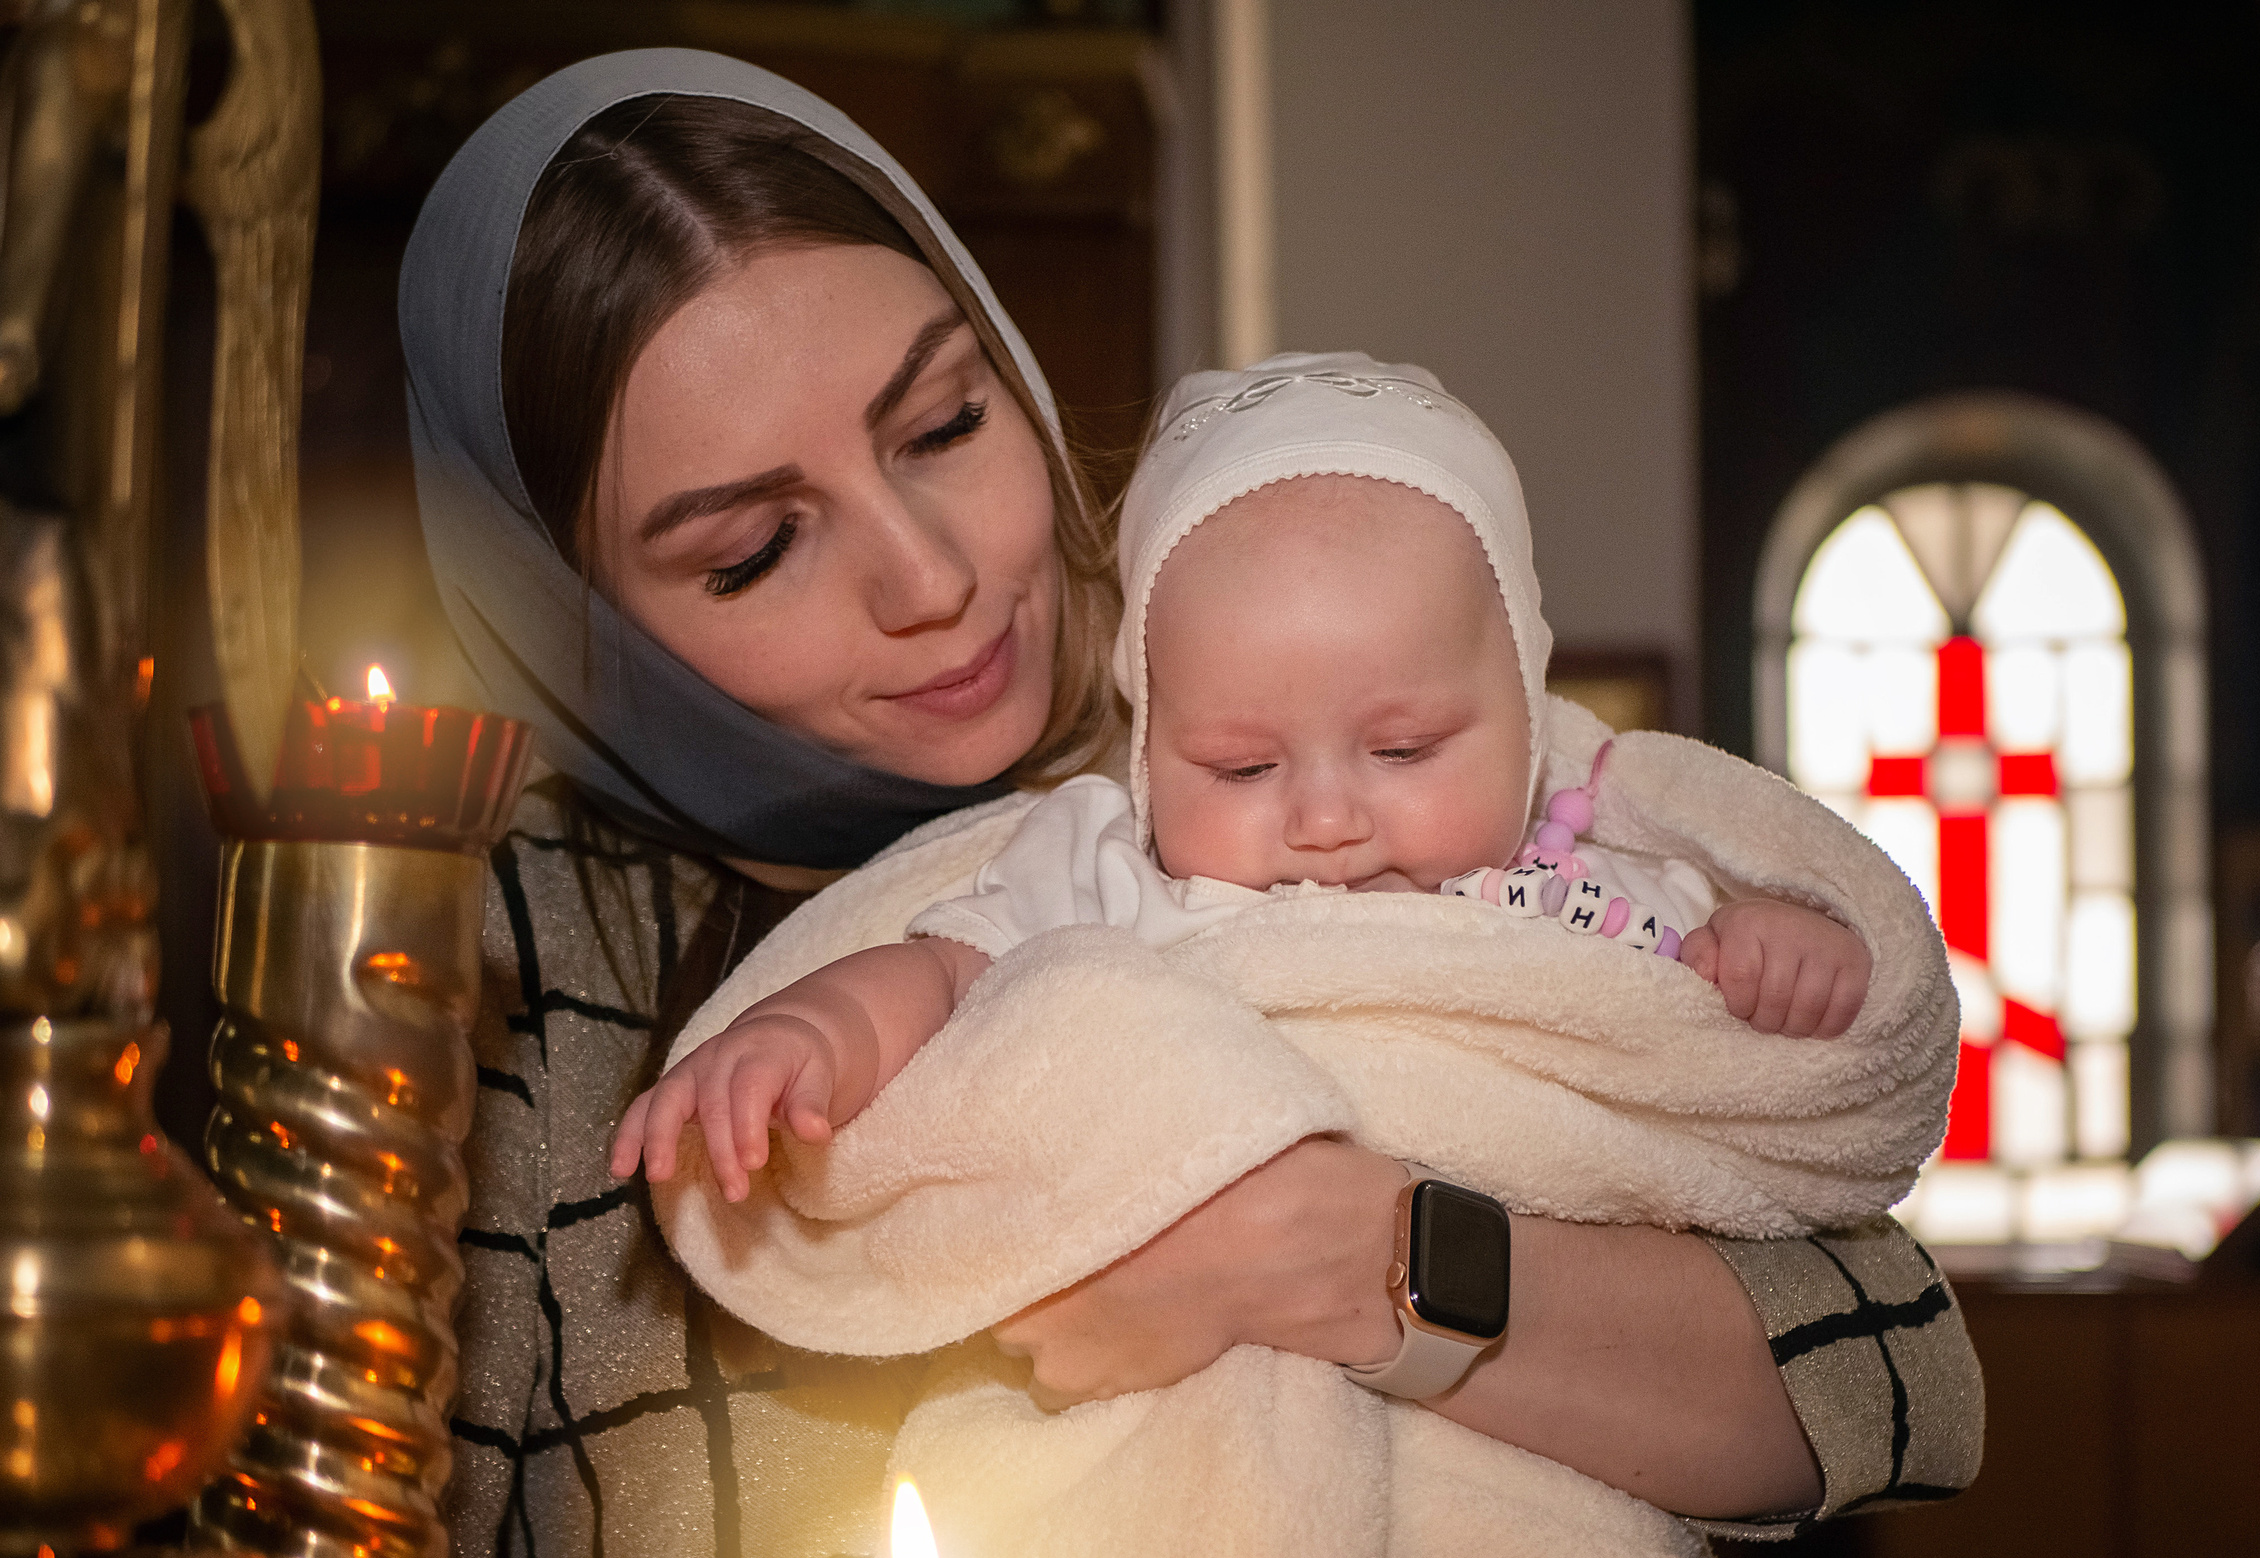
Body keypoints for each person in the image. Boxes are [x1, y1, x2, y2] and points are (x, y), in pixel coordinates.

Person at [400, 49, 1982, 1558]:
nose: (927, 575)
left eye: (944, 425)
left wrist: (1352, 1250)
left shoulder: (1305, 771)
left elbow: (1894, 1375)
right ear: (567, 607)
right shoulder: (505, 973)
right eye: (756, 548)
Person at [612, 356, 1880, 1195]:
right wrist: (806, 1030)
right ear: (1152, 745)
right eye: (1239, 763)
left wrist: (1768, 943)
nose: (1325, 820)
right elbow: (945, 969)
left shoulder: (1593, 885)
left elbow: (1714, 1055)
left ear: (1526, 715)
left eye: (1403, 750)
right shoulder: (1119, 874)